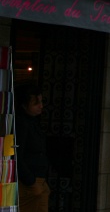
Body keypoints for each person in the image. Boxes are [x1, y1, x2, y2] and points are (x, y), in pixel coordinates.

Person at [15, 83, 50, 211]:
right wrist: (30, 181)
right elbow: (17, 154)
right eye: (36, 103)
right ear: (24, 105)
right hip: (30, 182)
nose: (41, 106)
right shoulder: (22, 124)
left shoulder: (32, 122)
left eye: (40, 102)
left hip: (38, 180)